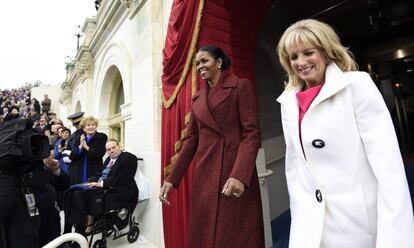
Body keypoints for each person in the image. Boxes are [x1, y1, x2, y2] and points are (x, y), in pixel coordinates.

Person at [276, 19, 414, 248]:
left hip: (356, 224)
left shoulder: (357, 85)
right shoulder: (287, 101)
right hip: (311, 225)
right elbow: (295, 170)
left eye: (308, 53)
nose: (301, 63)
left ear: (326, 51)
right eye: (293, 57)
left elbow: (388, 167)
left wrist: (395, 239)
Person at [159, 44, 264, 247]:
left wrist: (240, 175)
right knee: (206, 236)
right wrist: (172, 180)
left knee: (236, 235)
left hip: (234, 173)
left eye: (204, 61)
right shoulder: (197, 99)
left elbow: (251, 134)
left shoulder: (240, 86)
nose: (200, 66)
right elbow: (191, 141)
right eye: (197, 63)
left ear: (219, 62)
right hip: (205, 176)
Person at [64, 139, 138, 235]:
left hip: (119, 190)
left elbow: (123, 178)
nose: (111, 150)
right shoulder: (108, 159)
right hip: (104, 187)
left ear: (119, 146)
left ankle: (83, 227)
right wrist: (92, 180)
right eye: (109, 149)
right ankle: (71, 227)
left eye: (114, 147)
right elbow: (101, 173)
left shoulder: (129, 158)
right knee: (71, 193)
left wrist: (101, 184)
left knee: (79, 195)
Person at [68, 116, 107, 185]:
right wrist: (80, 146)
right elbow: (72, 157)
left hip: (94, 170)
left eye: (93, 125)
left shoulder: (101, 137)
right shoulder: (79, 138)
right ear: (84, 128)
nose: (91, 127)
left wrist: (86, 146)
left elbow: (99, 154)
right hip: (79, 171)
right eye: (88, 125)